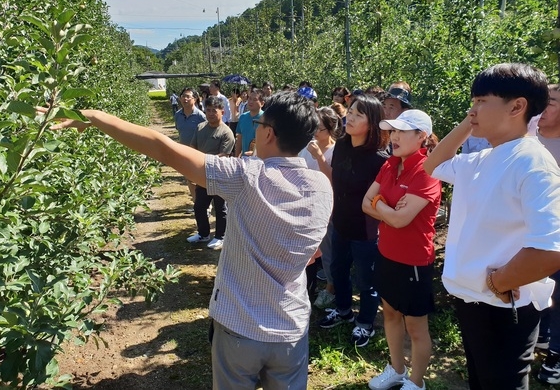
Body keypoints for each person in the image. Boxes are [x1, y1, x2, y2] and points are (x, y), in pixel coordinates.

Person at [40, 91, 333, 390]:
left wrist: (95, 117)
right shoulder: (322, 186)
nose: (255, 130)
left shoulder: (245, 177)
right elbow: (314, 252)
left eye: (258, 124)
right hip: (291, 331)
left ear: (269, 133)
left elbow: (163, 149)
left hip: (240, 328)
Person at [423, 63, 560, 390]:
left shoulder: (533, 162)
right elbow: (434, 164)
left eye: (482, 100)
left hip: (504, 307)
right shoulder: (484, 158)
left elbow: (550, 249)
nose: (473, 109)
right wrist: (471, 121)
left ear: (517, 106)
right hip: (473, 301)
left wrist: (502, 279)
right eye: (473, 101)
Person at [362, 110, 441, 390]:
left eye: (401, 131)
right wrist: (388, 208)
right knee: (391, 314)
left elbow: (398, 219)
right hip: (386, 255)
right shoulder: (390, 164)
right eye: (392, 130)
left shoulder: (428, 170)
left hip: (414, 263)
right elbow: (365, 202)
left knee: (417, 329)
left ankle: (416, 382)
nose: (393, 136)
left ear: (421, 136)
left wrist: (379, 205)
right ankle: (396, 369)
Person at [318, 94, 390, 350]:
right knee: (337, 270)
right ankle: (344, 310)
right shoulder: (342, 146)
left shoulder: (380, 159)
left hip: (366, 230)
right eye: (350, 111)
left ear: (372, 123)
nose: (350, 116)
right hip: (340, 223)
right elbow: (335, 180)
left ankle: (366, 322)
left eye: (358, 114)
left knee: (366, 280)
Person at [298, 107, 343, 307]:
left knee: (328, 249)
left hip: (326, 207)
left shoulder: (337, 150)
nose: (316, 131)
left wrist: (319, 157)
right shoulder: (306, 146)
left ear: (332, 129)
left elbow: (333, 179)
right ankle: (307, 286)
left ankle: (332, 289)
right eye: (314, 126)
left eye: (321, 128)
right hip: (304, 204)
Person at [186, 96, 235, 251]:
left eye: (214, 110)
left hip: (220, 176)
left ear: (222, 111)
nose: (211, 113)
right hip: (202, 175)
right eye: (208, 110)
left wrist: (202, 160)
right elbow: (193, 147)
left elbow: (223, 156)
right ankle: (203, 233)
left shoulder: (226, 132)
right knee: (199, 206)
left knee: (220, 208)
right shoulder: (200, 127)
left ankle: (220, 236)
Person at [536, 83, 560, 384]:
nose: (542, 108)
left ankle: (556, 353)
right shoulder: (529, 139)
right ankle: (540, 336)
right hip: (529, 231)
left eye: (550, 102)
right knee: (537, 285)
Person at [174, 88, 206, 208]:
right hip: (183, 152)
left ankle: (204, 206)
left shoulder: (201, 116)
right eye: (183, 96)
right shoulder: (178, 115)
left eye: (188, 96)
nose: (185, 99)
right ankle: (196, 204)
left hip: (198, 152)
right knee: (189, 178)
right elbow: (179, 130)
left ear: (195, 99)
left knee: (200, 180)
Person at [235, 88, 264, 157]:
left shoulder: (266, 119)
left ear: (262, 103)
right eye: (250, 99)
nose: (251, 102)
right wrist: (236, 157)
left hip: (261, 160)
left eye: (254, 100)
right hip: (245, 159)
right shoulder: (243, 117)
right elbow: (239, 139)